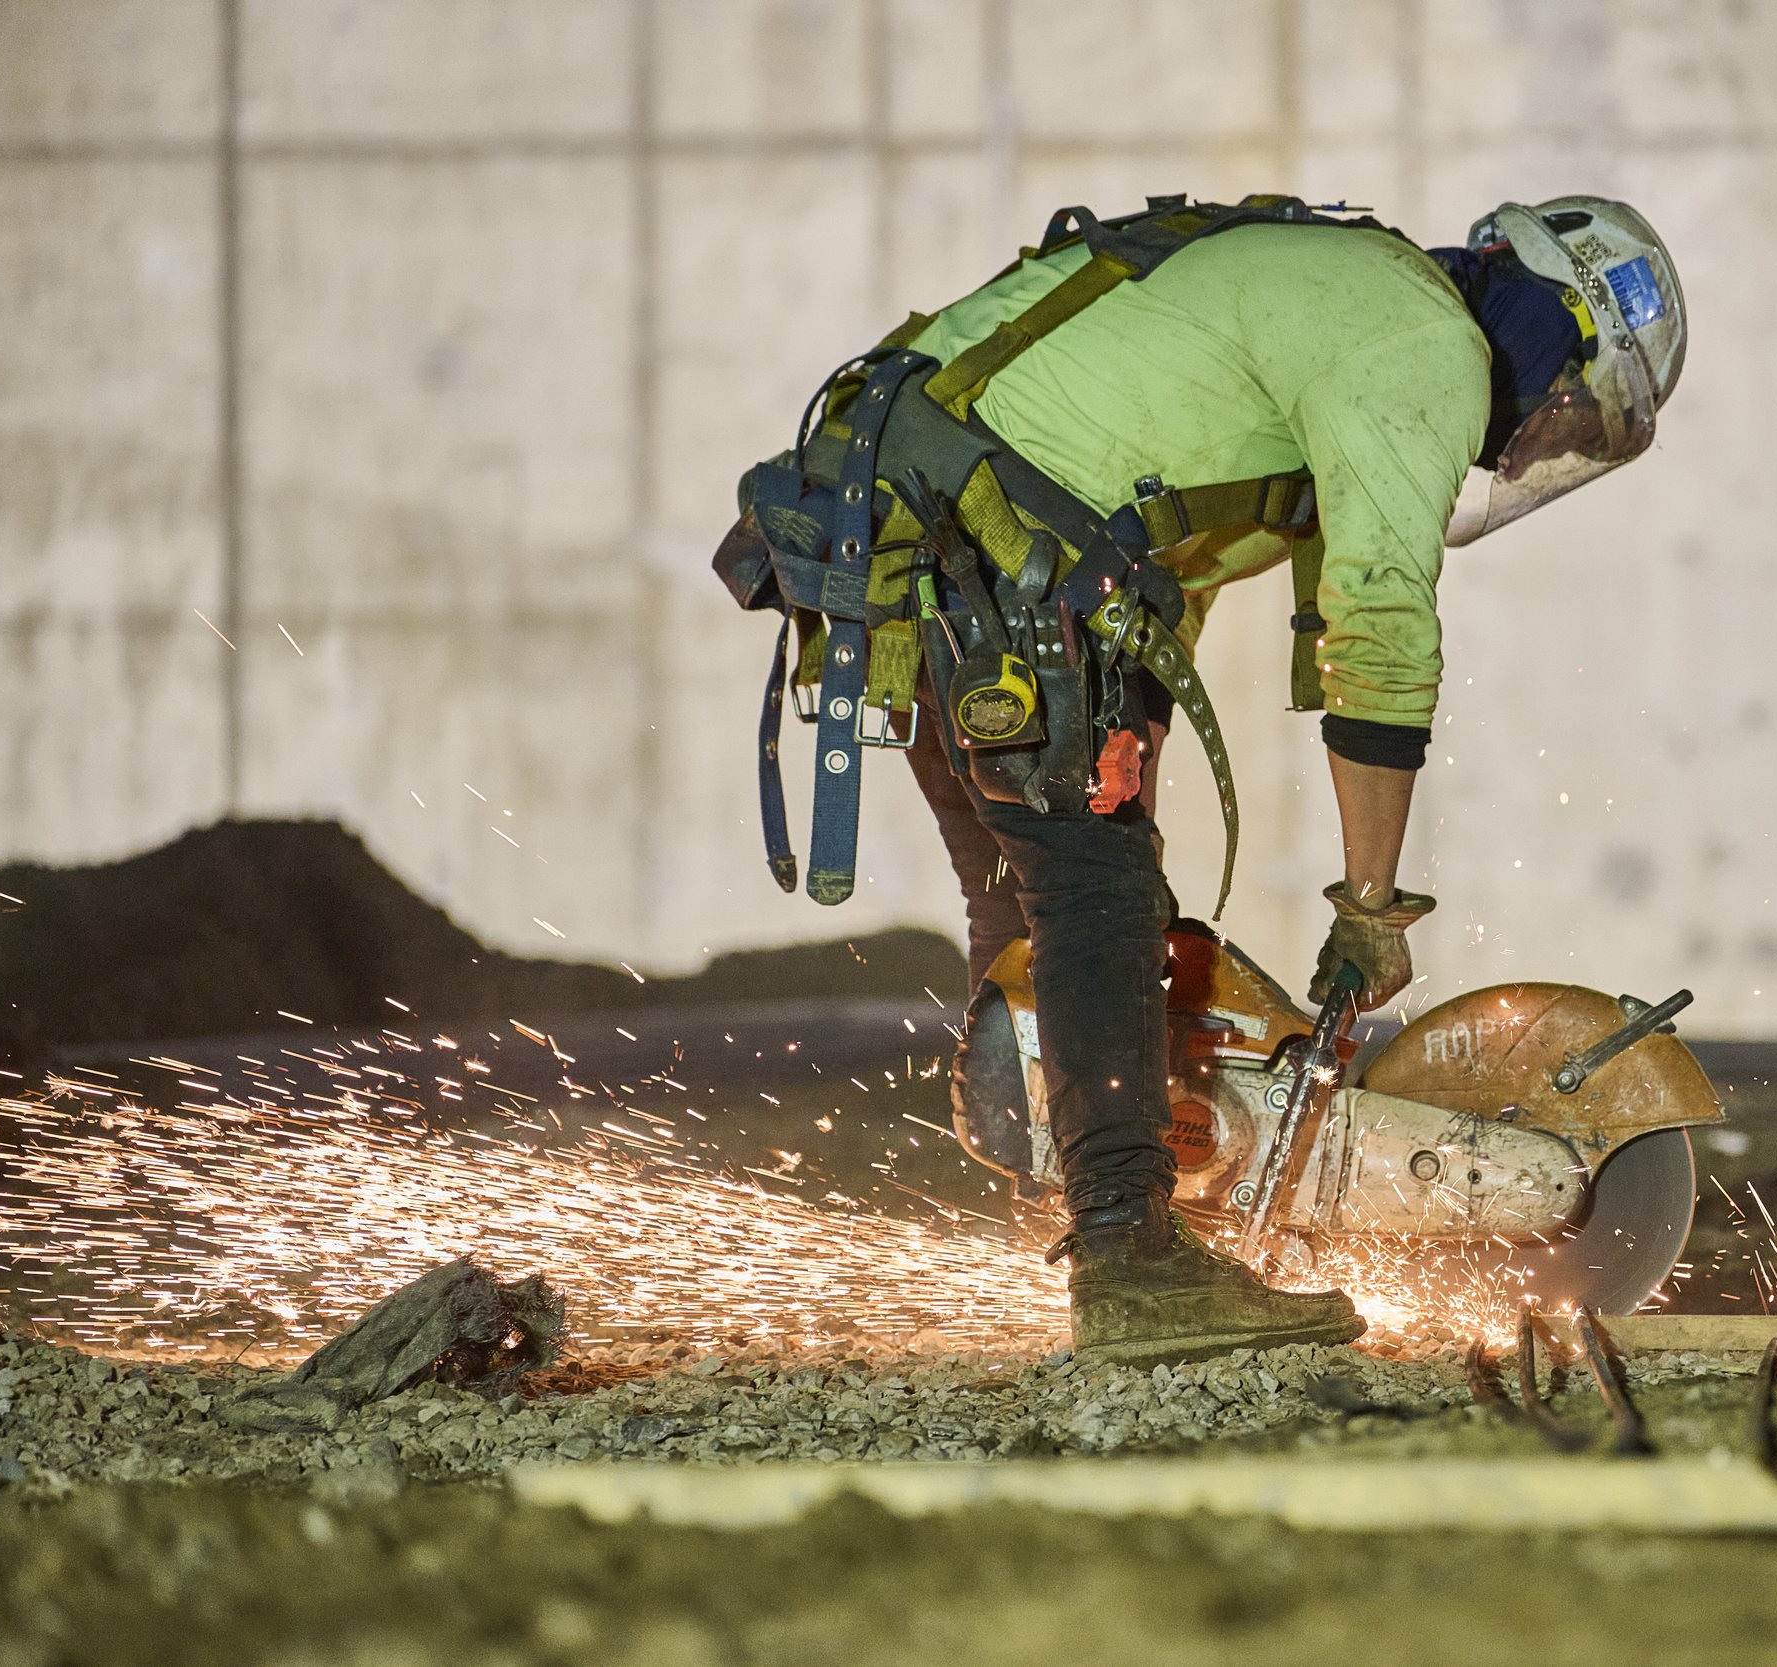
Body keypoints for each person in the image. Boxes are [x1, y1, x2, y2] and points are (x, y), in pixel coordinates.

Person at [715, 194, 1686, 1365]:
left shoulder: (1348, 295)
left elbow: (1156, 517)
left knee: (1047, 891)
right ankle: (1129, 1263)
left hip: (907, 514)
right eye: (1572, 408)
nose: (1536, 442)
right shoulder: (1426, 338)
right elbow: (1378, 623)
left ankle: (1084, 1197)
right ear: (1554, 324)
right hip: (976, 531)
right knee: (1095, 892)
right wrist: (1369, 905)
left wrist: (1127, 744)